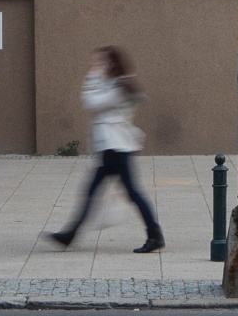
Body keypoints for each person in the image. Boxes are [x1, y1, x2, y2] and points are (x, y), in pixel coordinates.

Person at [46, 46, 164, 253]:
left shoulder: (118, 87)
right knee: (94, 191)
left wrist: (92, 77)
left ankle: (155, 236)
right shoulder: (115, 83)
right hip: (111, 148)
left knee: (132, 193)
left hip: (116, 148)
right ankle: (70, 234)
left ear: (110, 63)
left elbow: (92, 103)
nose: (95, 66)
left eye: (99, 62)